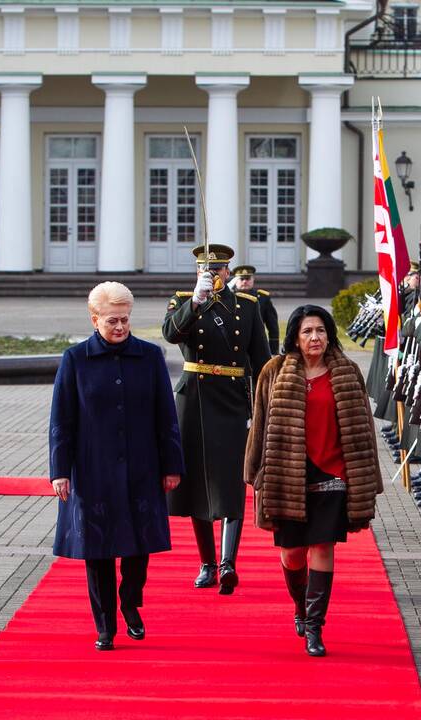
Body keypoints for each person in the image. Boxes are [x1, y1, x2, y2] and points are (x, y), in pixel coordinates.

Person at [49, 281, 184, 651]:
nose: (120, 327)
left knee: (139, 547)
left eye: (125, 320)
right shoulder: (75, 359)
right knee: (98, 550)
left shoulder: (150, 356)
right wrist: (59, 470)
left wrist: (172, 465)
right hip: (93, 470)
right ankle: (105, 625)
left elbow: (165, 416)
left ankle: (130, 599)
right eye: (112, 321)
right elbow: (62, 420)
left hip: (142, 466)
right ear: (95, 320)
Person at [244, 305, 383, 656]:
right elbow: (259, 424)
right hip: (287, 474)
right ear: (294, 336)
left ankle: (315, 628)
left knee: (323, 546)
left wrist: (367, 478)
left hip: (334, 473)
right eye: (307, 331)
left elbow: (365, 428)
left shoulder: (347, 372)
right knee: (292, 553)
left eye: (320, 330)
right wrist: (253, 471)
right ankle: (301, 607)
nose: (315, 337)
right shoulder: (274, 372)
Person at [163, 244, 271, 594]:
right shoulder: (183, 301)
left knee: (231, 479)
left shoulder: (248, 306)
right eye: (205, 271)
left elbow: (262, 362)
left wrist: (261, 408)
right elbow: (170, 334)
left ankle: (228, 563)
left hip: (232, 399)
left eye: (218, 271)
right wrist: (195, 302)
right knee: (196, 482)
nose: (212, 276)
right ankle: (207, 562)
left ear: (228, 272)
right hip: (194, 397)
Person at [229, 264, 280, 355]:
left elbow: (273, 327)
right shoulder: (228, 298)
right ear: (235, 281)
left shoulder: (263, 298)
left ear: (253, 279)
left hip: (257, 345)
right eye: (241, 279)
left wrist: (273, 351)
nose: (245, 282)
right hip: (233, 345)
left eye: (248, 279)